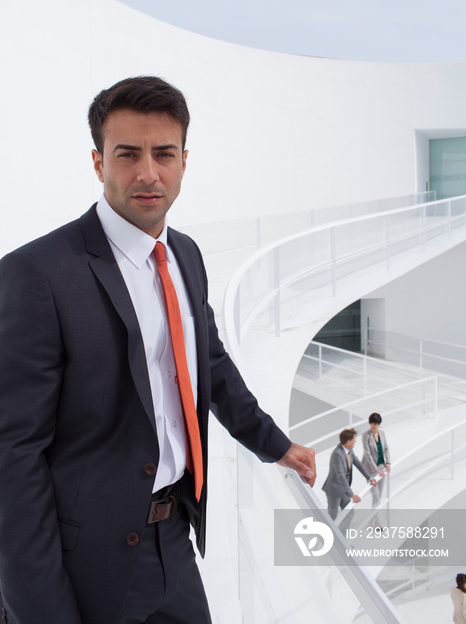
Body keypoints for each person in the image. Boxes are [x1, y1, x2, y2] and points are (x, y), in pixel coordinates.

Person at [0, 76, 316, 624]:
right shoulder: (37, 275)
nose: (148, 173)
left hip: (175, 537)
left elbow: (208, 363)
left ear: (184, 162)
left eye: (163, 153)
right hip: (85, 561)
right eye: (128, 154)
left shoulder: (185, 255)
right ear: (98, 163)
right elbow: (12, 456)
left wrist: (275, 444)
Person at [322, 428, 376, 520]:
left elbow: (358, 464)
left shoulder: (349, 450)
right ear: (348, 442)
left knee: (350, 513)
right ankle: (327, 533)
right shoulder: (337, 454)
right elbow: (341, 476)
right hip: (334, 490)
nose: (355, 441)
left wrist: (369, 477)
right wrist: (351, 494)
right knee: (332, 516)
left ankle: (342, 534)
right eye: (354, 440)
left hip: (343, 489)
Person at [361, 412, 390, 506]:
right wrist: (376, 470)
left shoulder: (382, 433)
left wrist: (388, 462)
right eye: (372, 423)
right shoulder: (366, 436)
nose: (373, 425)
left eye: (376, 423)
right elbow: (367, 454)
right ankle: (374, 519)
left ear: (378, 424)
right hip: (371, 469)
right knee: (376, 496)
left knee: (380, 495)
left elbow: (385, 448)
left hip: (382, 466)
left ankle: (373, 518)